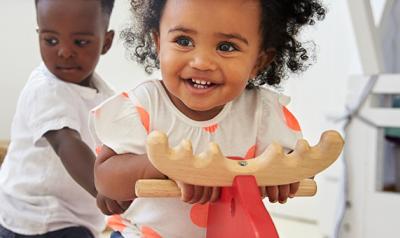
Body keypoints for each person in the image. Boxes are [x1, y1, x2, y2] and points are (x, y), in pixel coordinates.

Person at [91, 0, 326, 237]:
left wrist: (285, 175)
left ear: (259, 62)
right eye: (184, 41)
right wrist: (166, 167)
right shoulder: (145, 105)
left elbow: (300, 167)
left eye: (226, 46)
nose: (201, 62)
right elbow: (105, 179)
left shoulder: (261, 112)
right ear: (159, 44)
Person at [0, 0, 128, 237]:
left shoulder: (105, 94)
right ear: (39, 35)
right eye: (51, 40)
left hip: (73, 216)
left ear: (106, 42)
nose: (64, 51)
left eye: (80, 42)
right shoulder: (45, 89)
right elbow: (66, 142)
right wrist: (103, 188)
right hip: (34, 217)